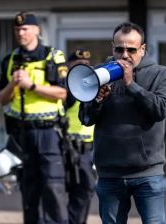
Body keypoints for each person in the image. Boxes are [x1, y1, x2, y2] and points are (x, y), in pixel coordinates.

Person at [79, 22, 166, 223]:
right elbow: (85, 118)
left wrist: (131, 84)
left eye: (131, 49)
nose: (124, 55)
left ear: (142, 50)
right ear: (112, 47)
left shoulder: (159, 74)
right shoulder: (100, 74)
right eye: (119, 49)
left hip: (147, 173)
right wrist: (97, 101)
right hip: (110, 174)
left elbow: (161, 109)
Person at [0, 11, 69, 224]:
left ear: (37, 30)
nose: (21, 32)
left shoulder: (53, 56)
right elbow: (1, 99)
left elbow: (63, 93)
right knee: (29, 192)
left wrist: (32, 86)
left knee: (53, 188)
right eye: (18, 29)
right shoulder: (9, 60)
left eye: (26, 28)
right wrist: (13, 84)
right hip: (22, 134)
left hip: (49, 134)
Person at [65, 49, 96, 224]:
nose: (83, 68)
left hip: (86, 149)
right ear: (69, 66)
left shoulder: (91, 87)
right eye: (78, 65)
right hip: (66, 147)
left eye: (86, 65)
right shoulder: (64, 86)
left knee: (85, 190)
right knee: (63, 191)